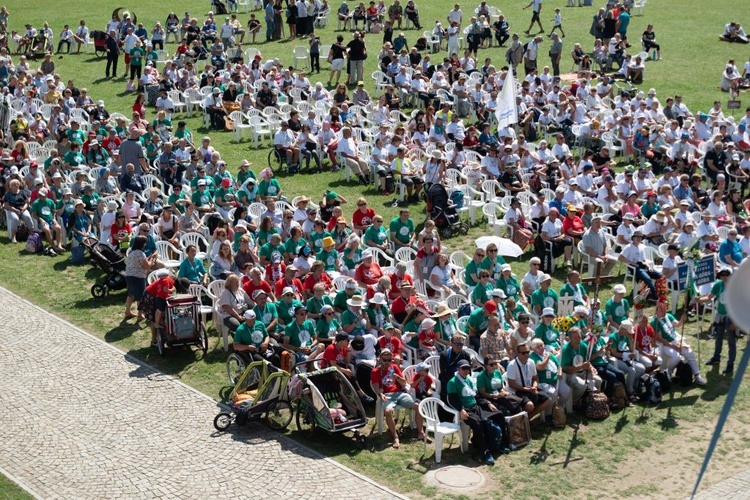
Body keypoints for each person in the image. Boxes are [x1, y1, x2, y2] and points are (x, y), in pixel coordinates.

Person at [446, 359, 501, 465]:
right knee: (477, 423)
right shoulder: (452, 382)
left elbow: (477, 395)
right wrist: (461, 410)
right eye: (463, 368)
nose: (466, 370)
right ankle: (485, 451)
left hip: (475, 406)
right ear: (458, 369)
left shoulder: (469, 380)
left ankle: (484, 444)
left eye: (468, 368)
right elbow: (452, 399)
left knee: (488, 419)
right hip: (465, 408)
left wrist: (487, 403)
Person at [370, 348, 426, 449]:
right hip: (387, 395)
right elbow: (375, 386)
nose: (387, 362)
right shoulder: (375, 371)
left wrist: (398, 378)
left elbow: (404, 383)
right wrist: (380, 394)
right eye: (384, 360)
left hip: (399, 393)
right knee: (387, 411)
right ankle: (395, 436)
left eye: (389, 360)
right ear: (380, 359)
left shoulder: (394, 367)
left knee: (417, 406)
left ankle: (420, 432)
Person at [698, 269, 735, 375]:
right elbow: (709, 297)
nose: (724, 277)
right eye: (722, 275)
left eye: (726, 275)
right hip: (720, 314)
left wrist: (735, 322)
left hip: (731, 316)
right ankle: (716, 357)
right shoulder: (718, 285)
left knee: (731, 341)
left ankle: (730, 364)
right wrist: (699, 300)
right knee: (718, 338)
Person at [529, 338, 572, 416]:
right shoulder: (533, 356)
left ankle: (559, 408)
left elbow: (559, 366)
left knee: (567, 391)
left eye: (542, 345)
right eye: (538, 347)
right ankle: (548, 414)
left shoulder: (549, 354)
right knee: (553, 394)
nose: (541, 347)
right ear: (534, 349)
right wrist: (547, 357)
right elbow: (540, 366)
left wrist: (560, 373)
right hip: (543, 382)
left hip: (555, 379)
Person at [609, 320, 645, 401]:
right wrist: (626, 355)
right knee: (632, 370)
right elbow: (614, 353)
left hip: (626, 357)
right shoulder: (613, 337)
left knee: (641, 369)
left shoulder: (626, 336)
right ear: (623, 329)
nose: (629, 333)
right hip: (617, 359)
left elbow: (631, 349)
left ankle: (631, 384)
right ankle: (629, 391)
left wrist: (631, 340)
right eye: (627, 331)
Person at [124, 235, 158, 322]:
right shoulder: (140, 253)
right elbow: (147, 266)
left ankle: (127, 311)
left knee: (130, 294)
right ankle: (140, 314)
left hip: (129, 276)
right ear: (142, 244)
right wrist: (152, 260)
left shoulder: (132, 252)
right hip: (138, 277)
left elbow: (140, 262)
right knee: (140, 297)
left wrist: (148, 259)